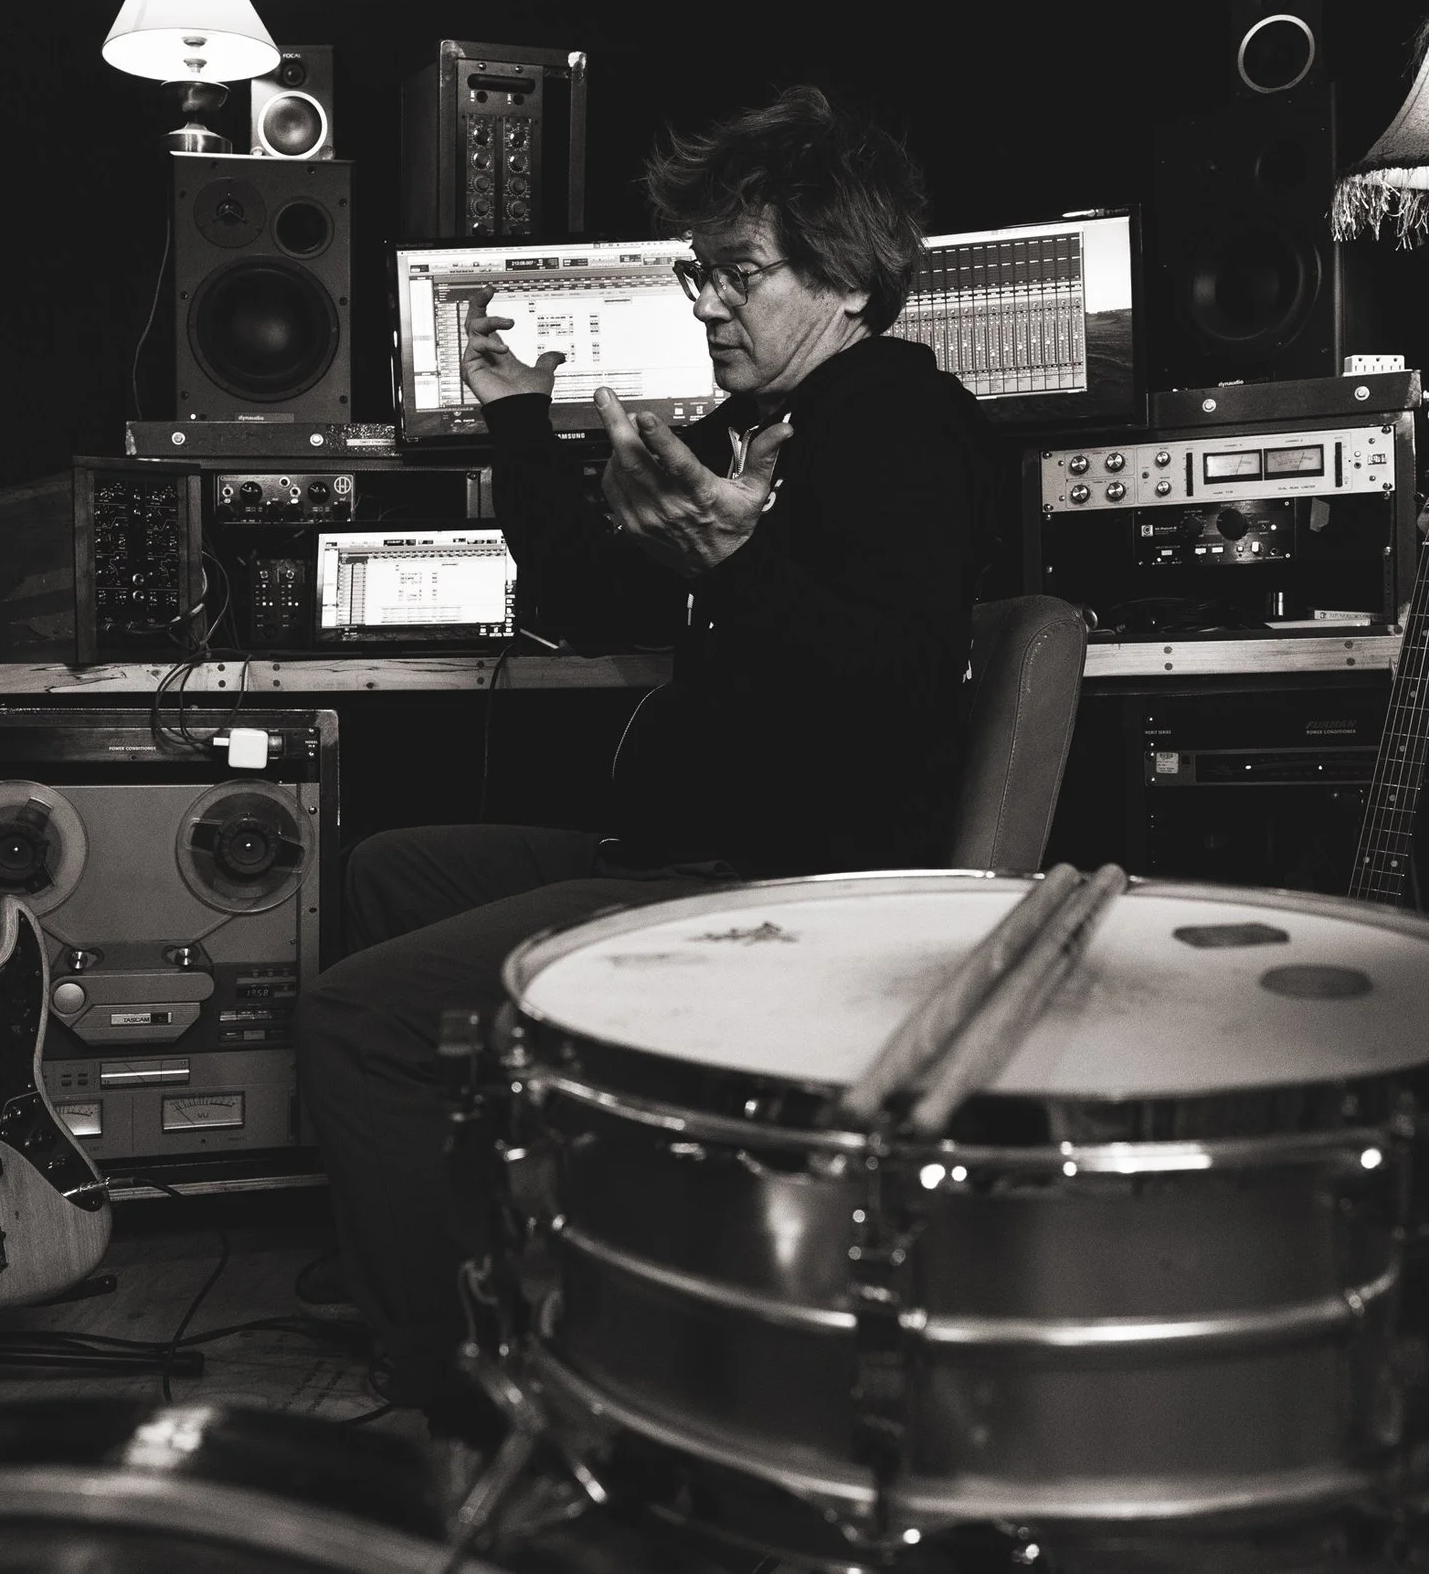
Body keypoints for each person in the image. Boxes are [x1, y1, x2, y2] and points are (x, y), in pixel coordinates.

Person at [295, 85, 990, 1415]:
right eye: (700, 272)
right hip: (687, 843)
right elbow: (577, 597)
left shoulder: (901, 423)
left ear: (847, 278)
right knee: (385, 873)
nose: (707, 302)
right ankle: (468, 1254)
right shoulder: (744, 429)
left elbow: (890, 684)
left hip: (783, 882)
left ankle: (466, 1372)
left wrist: (735, 557)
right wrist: (516, 414)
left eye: (739, 272)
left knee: (354, 1019)